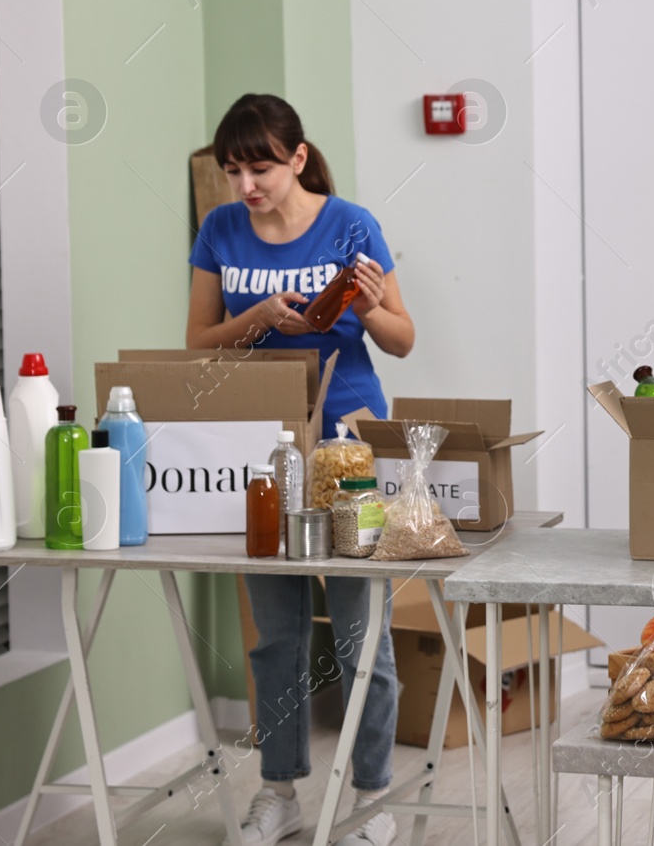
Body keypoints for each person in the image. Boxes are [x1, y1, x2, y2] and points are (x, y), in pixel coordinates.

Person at [187, 93, 416, 846]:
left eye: (259, 168)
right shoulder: (220, 230)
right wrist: (258, 319)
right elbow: (197, 346)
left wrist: (375, 306)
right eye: (232, 171)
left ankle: (373, 798)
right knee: (275, 633)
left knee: (360, 631)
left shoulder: (350, 223)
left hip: (347, 441)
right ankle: (278, 789)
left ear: (297, 156)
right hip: (259, 441)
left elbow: (402, 339)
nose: (245, 186)